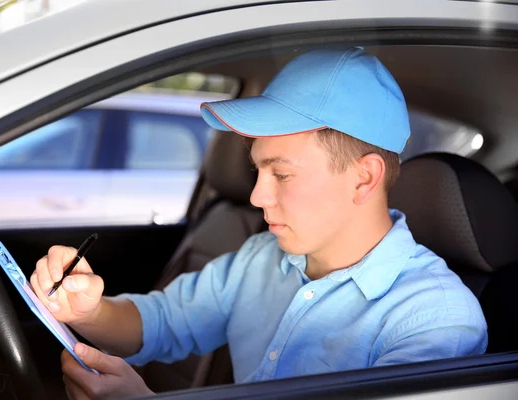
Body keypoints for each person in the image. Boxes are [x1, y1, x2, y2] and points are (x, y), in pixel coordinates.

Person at [30, 47, 487, 399]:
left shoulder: (435, 321)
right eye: (258, 171)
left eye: (282, 174)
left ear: (363, 178)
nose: (256, 196)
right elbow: (163, 323)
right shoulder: (260, 258)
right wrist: (88, 310)